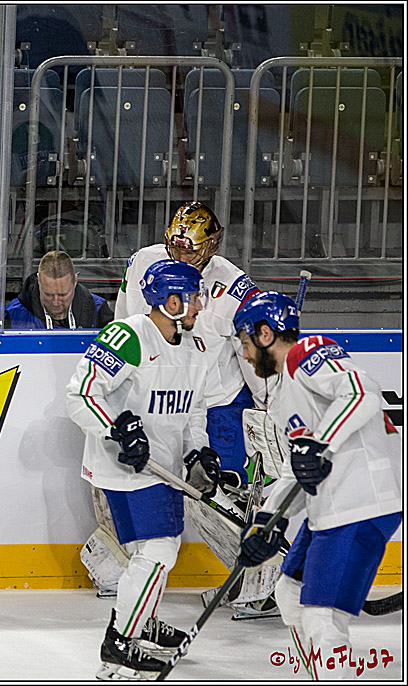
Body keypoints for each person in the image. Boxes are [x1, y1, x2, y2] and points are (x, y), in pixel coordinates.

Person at [97, 200, 280, 621]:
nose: (184, 257)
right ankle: (114, 565)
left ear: (211, 246)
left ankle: (257, 583)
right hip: (157, 395)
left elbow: (250, 347)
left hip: (216, 403)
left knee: (211, 491)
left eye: (194, 251)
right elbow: (125, 323)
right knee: (126, 474)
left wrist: (268, 402)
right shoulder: (144, 262)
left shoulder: (233, 286)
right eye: (178, 248)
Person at [233, 292, 402, 680]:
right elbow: (299, 470)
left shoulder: (306, 351)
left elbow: (362, 393)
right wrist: (265, 519)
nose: (243, 355)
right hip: (330, 509)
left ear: (264, 334)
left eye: (244, 343)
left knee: (323, 620)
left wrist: (320, 442)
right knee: (290, 595)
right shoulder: (280, 396)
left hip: (361, 501)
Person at [65, 259, 221, 680]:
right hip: (125, 467)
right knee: (159, 551)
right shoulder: (129, 334)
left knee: (150, 554)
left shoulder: (195, 347)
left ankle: (142, 618)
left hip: (164, 466)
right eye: (192, 299)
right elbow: (80, 394)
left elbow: (194, 413)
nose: (199, 306)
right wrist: (116, 429)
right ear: (170, 301)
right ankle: (120, 642)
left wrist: (198, 453)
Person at [4, 250, 115, 329]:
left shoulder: (98, 310)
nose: (56, 302)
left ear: (75, 282)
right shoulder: (14, 314)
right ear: (39, 281)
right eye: (48, 294)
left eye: (63, 295)